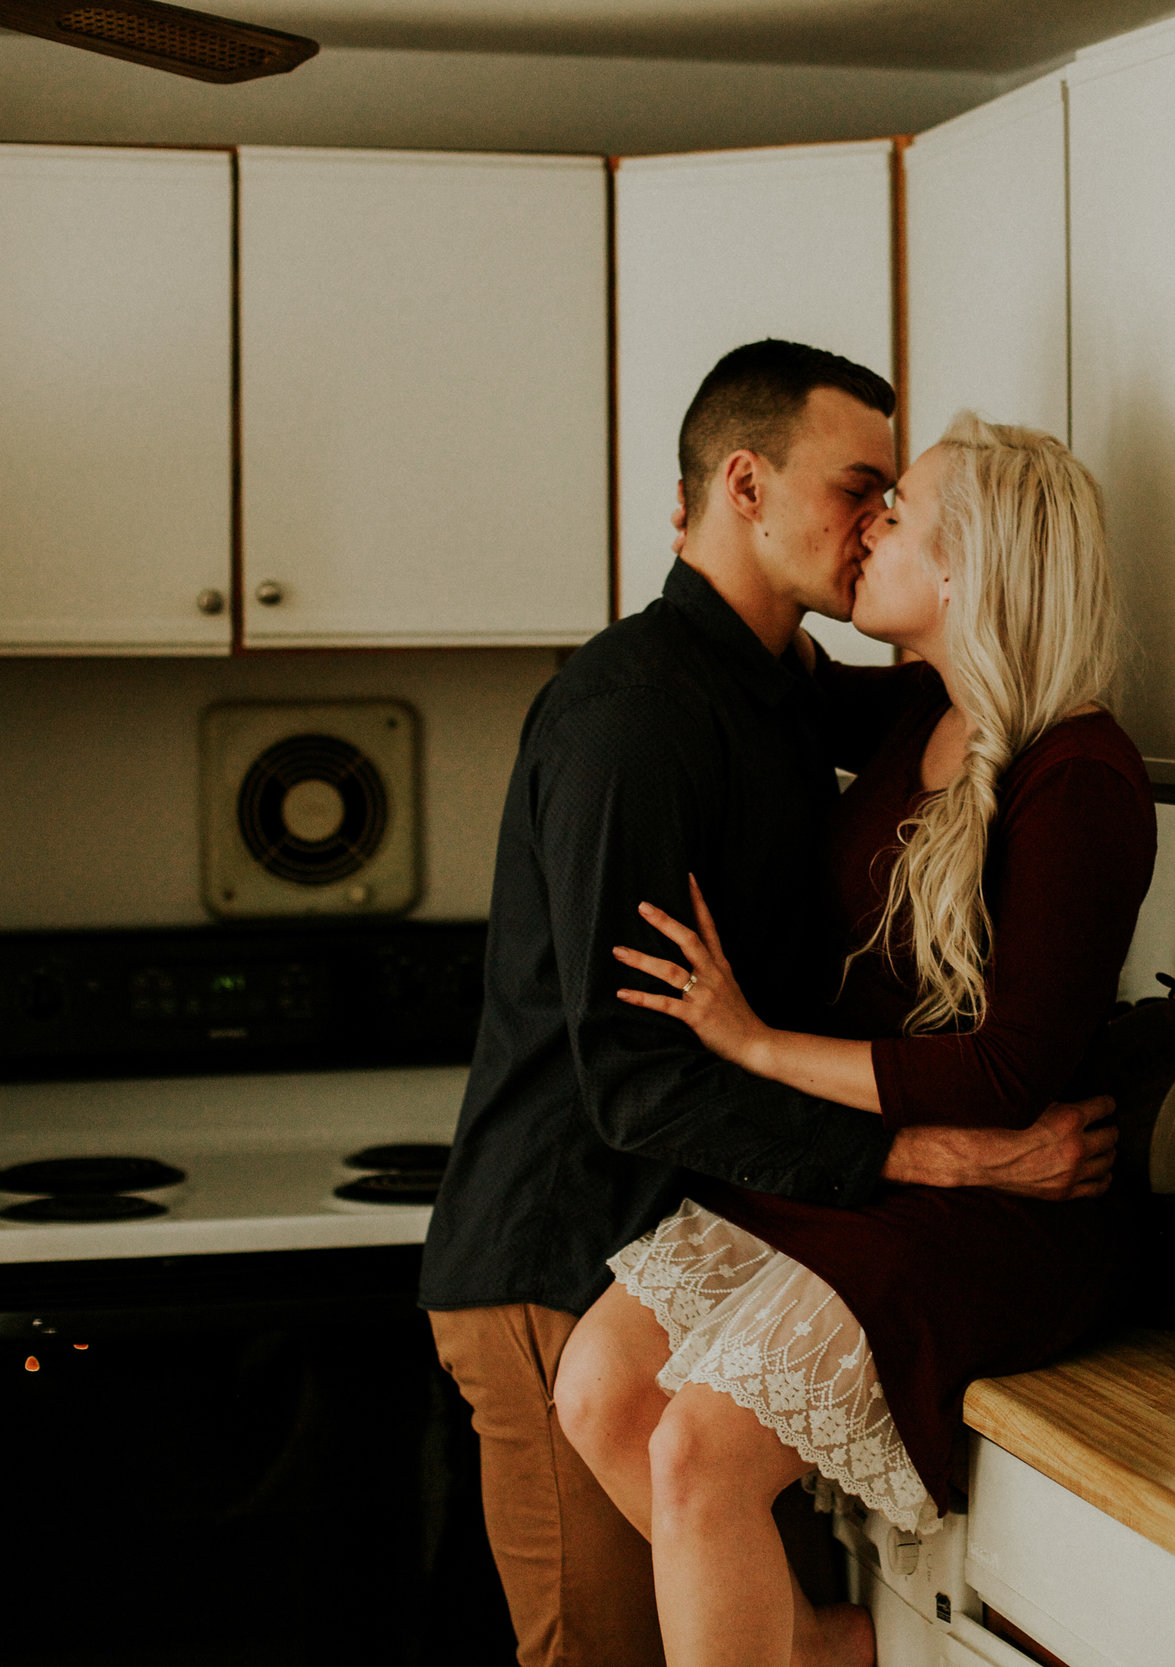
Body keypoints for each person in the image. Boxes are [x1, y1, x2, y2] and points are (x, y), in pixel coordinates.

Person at [418, 344, 1121, 1667]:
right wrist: (937, 1154)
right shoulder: (632, 716)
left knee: (727, 1615)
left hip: (726, 1228)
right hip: (564, 1251)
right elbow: (637, 1080)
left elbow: (997, 700)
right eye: (860, 489)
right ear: (744, 485)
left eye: (895, 503)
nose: (874, 522)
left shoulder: (791, 686)